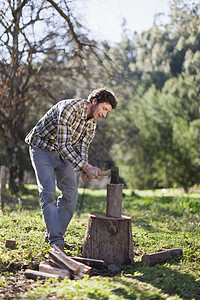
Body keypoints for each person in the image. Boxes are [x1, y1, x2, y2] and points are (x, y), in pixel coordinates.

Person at [25, 88, 117, 251]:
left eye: (107, 112)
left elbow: (83, 146)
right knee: (48, 193)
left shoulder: (91, 122)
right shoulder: (69, 108)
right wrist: (85, 166)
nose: (104, 115)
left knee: (71, 193)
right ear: (94, 101)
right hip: (42, 149)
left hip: (63, 153)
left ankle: (55, 236)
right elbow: (64, 146)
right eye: (104, 109)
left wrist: (85, 168)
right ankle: (56, 240)